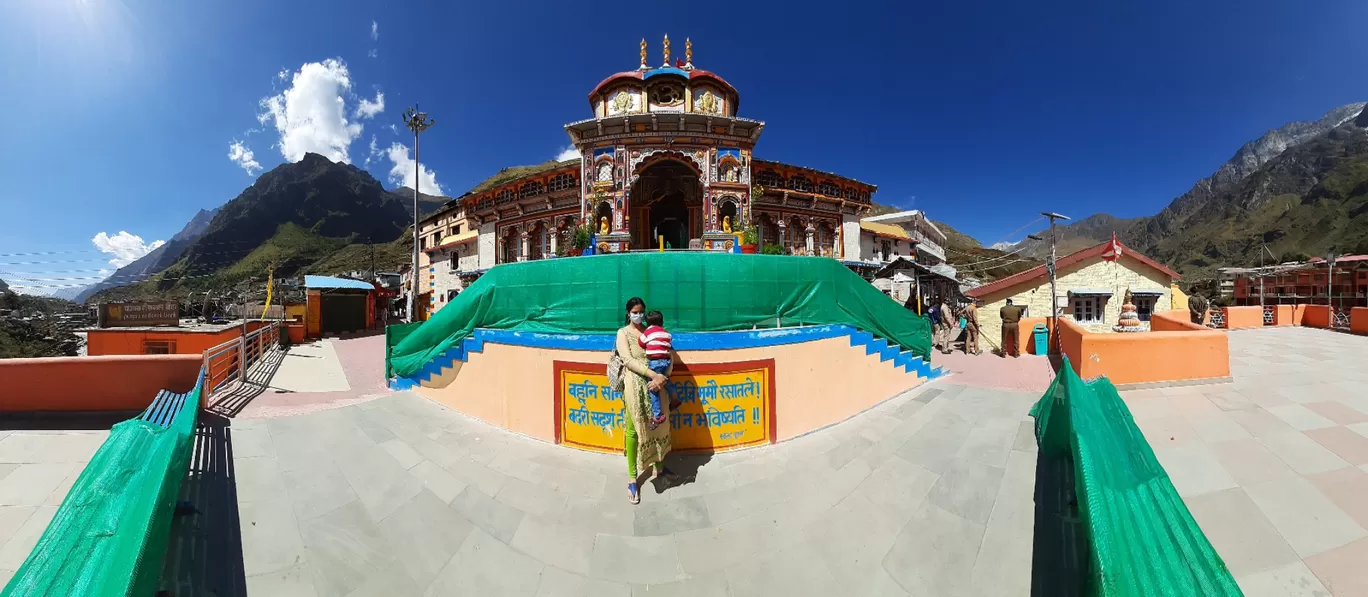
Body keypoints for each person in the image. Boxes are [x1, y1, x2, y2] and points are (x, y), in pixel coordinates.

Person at [616, 297, 676, 504]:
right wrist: (654, 375)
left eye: (641, 311)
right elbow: (628, 360)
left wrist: (663, 377)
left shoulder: (653, 330)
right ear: (628, 313)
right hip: (635, 385)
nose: (638, 314)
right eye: (634, 311)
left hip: (657, 385)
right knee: (634, 430)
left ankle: (659, 466)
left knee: (658, 426)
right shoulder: (623, 333)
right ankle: (633, 478)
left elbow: (669, 355)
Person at [638, 310, 673, 429]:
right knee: (664, 380)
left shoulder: (648, 331)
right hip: (666, 361)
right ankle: (675, 396)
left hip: (654, 362)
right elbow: (669, 343)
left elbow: (641, 342)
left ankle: (657, 416)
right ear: (662, 322)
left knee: (653, 388)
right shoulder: (666, 333)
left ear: (647, 323)